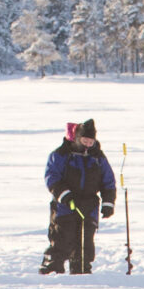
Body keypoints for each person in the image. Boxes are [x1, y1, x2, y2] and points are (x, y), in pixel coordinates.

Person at [41, 117, 115, 275]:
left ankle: (81, 273)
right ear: (76, 138)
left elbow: (108, 181)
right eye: (84, 141)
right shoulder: (61, 155)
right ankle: (52, 270)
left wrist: (108, 203)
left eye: (91, 141)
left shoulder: (98, 158)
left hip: (89, 206)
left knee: (85, 244)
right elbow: (52, 177)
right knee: (62, 240)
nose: (88, 145)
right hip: (65, 206)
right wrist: (65, 195)